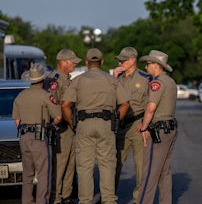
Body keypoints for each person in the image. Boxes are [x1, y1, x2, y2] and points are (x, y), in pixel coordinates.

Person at [61, 48, 130, 204]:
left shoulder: (78, 80)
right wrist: (117, 119)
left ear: (86, 63)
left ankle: (85, 200)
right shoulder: (112, 80)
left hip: (84, 124)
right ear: (102, 62)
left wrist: (72, 123)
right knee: (107, 164)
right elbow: (125, 103)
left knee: (84, 166)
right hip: (106, 123)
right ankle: (108, 200)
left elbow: (65, 104)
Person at [12, 63, 62, 204]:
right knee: (43, 173)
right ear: (42, 80)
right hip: (40, 136)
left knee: (27, 174)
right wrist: (50, 126)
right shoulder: (46, 96)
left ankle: (27, 201)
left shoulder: (20, 96)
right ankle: (42, 201)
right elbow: (58, 117)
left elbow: (17, 121)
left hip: (24, 137)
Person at [137, 50, 178, 204]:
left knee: (149, 174)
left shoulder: (157, 83)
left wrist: (143, 127)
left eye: (148, 64)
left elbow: (151, 108)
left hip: (158, 131)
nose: (146, 67)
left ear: (155, 65)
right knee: (164, 173)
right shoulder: (171, 82)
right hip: (170, 128)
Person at [113, 47, 150, 203]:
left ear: (133, 60)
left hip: (137, 124)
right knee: (114, 164)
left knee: (140, 166)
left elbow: (152, 103)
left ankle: (138, 199)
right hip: (120, 125)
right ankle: (109, 197)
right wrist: (113, 78)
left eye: (124, 60)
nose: (120, 62)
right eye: (120, 60)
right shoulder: (117, 78)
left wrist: (145, 124)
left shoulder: (145, 78)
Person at [46, 49, 81, 204]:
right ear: (63, 62)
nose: (74, 64)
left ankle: (66, 196)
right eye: (72, 61)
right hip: (60, 128)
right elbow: (52, 105)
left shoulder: (67, 80)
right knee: (59, 165)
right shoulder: (54, 81)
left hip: (70, 127)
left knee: (70, 164)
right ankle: (56, 197)